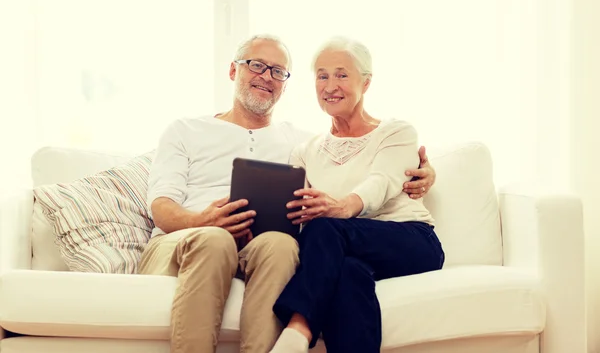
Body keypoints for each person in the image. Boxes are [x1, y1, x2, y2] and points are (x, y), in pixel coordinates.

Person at [138, 34, 436, 353]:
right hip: (188, 242)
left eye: (278, 71)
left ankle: (290, 340)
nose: (266, 76)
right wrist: (203, 219)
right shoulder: (186, 129)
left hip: (258, 247)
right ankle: (297, 330)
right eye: (256, 65)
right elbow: (161, 208)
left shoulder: (297, 143)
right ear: (231, 71)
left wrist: (427, 171)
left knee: (283, 245)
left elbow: (370, 163)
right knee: (216, 238)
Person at [269, 37, 446, 353]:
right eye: (322, 76)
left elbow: (380, 182)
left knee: (325, 226)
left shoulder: (395, 132)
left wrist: (340, 207)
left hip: (410, 241)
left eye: (341, 74)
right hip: (347, 252)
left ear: (366, 83)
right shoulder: (304, 151)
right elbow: (299, 209)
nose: (330, 85)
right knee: (348, 273)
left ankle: (298, 330)